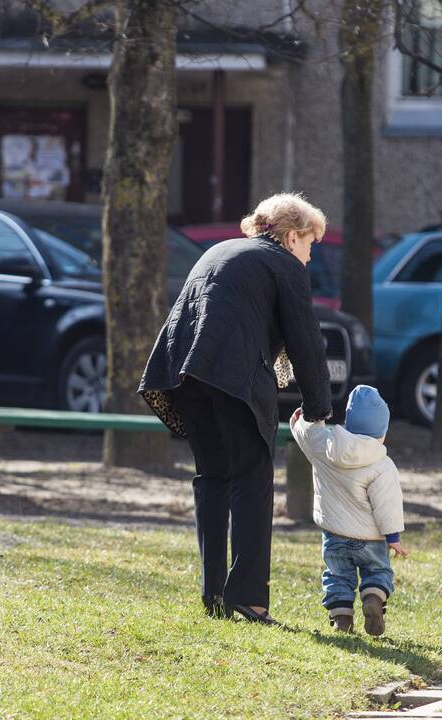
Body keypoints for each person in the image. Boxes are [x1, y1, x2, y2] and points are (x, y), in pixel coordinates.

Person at [139, 193, 334, 625]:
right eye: (309, 244)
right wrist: (319, 408)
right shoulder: (283, 263)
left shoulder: (221, 249)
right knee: (252, 476)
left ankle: (214, 595)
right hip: (230, 374)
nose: (309, 255)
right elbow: (306, 342)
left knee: (214, 476)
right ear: (291, 235)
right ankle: (248, 600)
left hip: (183, 373)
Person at [289, 385, 408, 635]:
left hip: (334, 534)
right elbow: (388, 503)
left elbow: (307, 436)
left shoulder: (326, 446)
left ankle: (342, 618)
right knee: (377, 571)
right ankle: (373, 598)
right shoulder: (382, 465)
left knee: (337, 576)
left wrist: (299, 422)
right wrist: (393, 537)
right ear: (382, 432)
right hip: (370, 539)